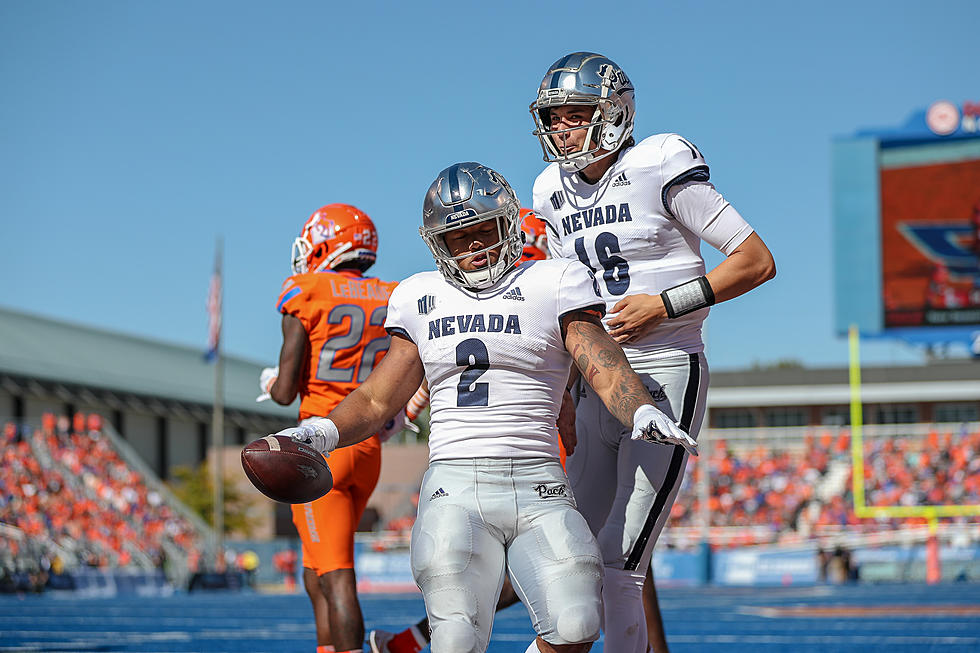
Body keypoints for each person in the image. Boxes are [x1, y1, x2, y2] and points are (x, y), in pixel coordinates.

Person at [275, 162, 698, 653]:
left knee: (578, 622)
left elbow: (601, 360)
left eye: (483, 230)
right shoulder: (419, 295)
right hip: (454, 485)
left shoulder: (553, 280)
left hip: (538, 479)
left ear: (509, 225)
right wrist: (321, 432)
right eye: (458, 236)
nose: (473, 246)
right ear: (439, 242)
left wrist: (640, 408)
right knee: (455, 640)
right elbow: (375, 398)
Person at [529, 52, 776, 653]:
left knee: (621, 557)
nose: (561, 127)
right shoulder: (549, 190)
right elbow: (561, 298)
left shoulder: (657, 163)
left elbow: (755, 259)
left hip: (667, 366)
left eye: (575, 114)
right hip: (596, 382)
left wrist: (663, 304)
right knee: (573, 553)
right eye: (553, 117)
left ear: (613, 114)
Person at [367, 207, 561, 653]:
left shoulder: (534, 284)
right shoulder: (538, 282)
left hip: (512, 442)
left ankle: (413, 640)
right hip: (532, 445)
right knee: (597, 569)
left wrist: (404, 409)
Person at [258, 203, 402, 653]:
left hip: (321, 445)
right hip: (368, 446)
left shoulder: (308, 291)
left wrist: (269, 381)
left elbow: (284, 392)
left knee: (337, 574)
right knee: (316, 566)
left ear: (327, 242)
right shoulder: (391, 294)